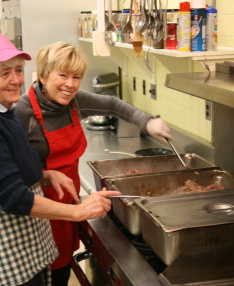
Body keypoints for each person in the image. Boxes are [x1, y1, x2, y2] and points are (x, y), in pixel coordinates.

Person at [0, 34, 120, 286]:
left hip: (23, 224)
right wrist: (77, 212)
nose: (16, 80)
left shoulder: (4, 112)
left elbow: (9, 168)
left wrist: (45, 175)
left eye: (19, 71)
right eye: (4, 73)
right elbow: (13, 197)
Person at [15, 41, 173, 286]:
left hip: (68, 202)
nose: (70, 84)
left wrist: (147, 122)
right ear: (44, 76)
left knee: (60, 271)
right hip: (37, 210)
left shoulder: (75, 102)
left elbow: (112, 104)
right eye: (63, 75)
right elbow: (10, 170)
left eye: (76, 77)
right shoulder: (22, 112)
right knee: (40, 274)